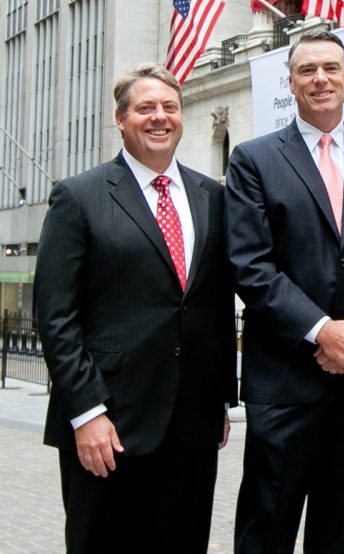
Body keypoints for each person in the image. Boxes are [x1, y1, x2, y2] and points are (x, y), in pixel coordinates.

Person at [34, 63, 238, 553]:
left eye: (169, 107)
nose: (159, 117)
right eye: (146, 107)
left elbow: (212, 306)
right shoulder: (78, 197)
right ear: (121, 119)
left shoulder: (213, 197)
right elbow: (55, 316)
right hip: (109, 427)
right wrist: (86, 413)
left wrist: (217, 399)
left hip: (191, 427)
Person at [225, 30, 344, 553]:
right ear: (291, 82)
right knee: (267, 526)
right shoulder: (253, 160)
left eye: (331, 68)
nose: (321, 79)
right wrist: (322, 332)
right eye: (308, 70)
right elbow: (249, 264)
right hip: (284, 382)